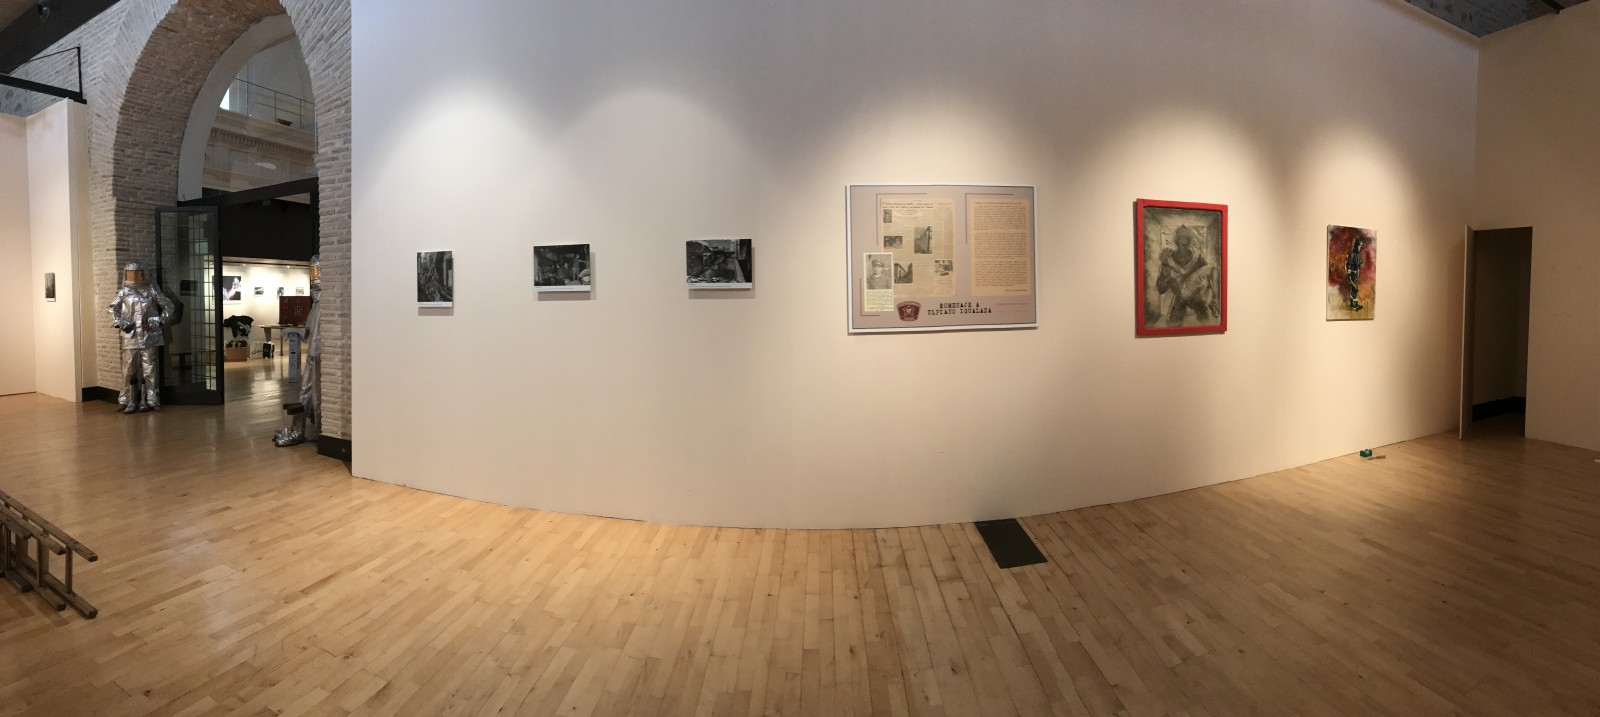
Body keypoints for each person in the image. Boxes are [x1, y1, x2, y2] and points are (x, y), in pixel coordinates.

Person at [107, 261, 175, 413]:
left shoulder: (152, 291)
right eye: (131, 274)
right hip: (130, 335)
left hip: (149, 335)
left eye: (137, 273)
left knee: (150, 370)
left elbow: (169, 307)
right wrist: (120, 322)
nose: (134, 277)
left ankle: (152, 400)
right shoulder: (124, 292)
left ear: (144, 274)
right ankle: (126, 400)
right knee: (128, 369)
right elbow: (111, 308)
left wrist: (159, 320)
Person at [275, 256, 322, 446]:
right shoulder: (317, 305)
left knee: (318, 395)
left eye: (317, 271)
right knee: (306, 390)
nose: (314, 277)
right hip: (312, 353)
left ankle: (322, 431)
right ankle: (297, 429)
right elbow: (311, 329)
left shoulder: (326, 304)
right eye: (313, 272)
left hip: (319, 355)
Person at [1156, 226, 1214, 325]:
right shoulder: (1168, 259)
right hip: (1178, 298)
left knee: (1207, 323)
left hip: (1197, 297)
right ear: (1176, 240)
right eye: (1179, 239)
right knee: (1172, 325)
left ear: (1189, 241)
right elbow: (1161, 289)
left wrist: (1206, 284)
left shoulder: (1198, 257)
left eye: (1185, 239)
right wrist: (1165, 278)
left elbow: (1210, 275)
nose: (1182, 243)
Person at [1345, 234, 1366, 311]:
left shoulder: (1358, 254)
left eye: (1361, 246)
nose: (1360, 247)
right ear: (1356, 245)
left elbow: (1360, 263)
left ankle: (1355, 303)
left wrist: (1360, 265)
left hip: (1357, 274)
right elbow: (1349, 265)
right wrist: (1350, 276)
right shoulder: (1352, 254)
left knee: (1356, 289)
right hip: (1352, 274)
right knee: (1354, 288)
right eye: (1359, 245)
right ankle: (1352, 305)